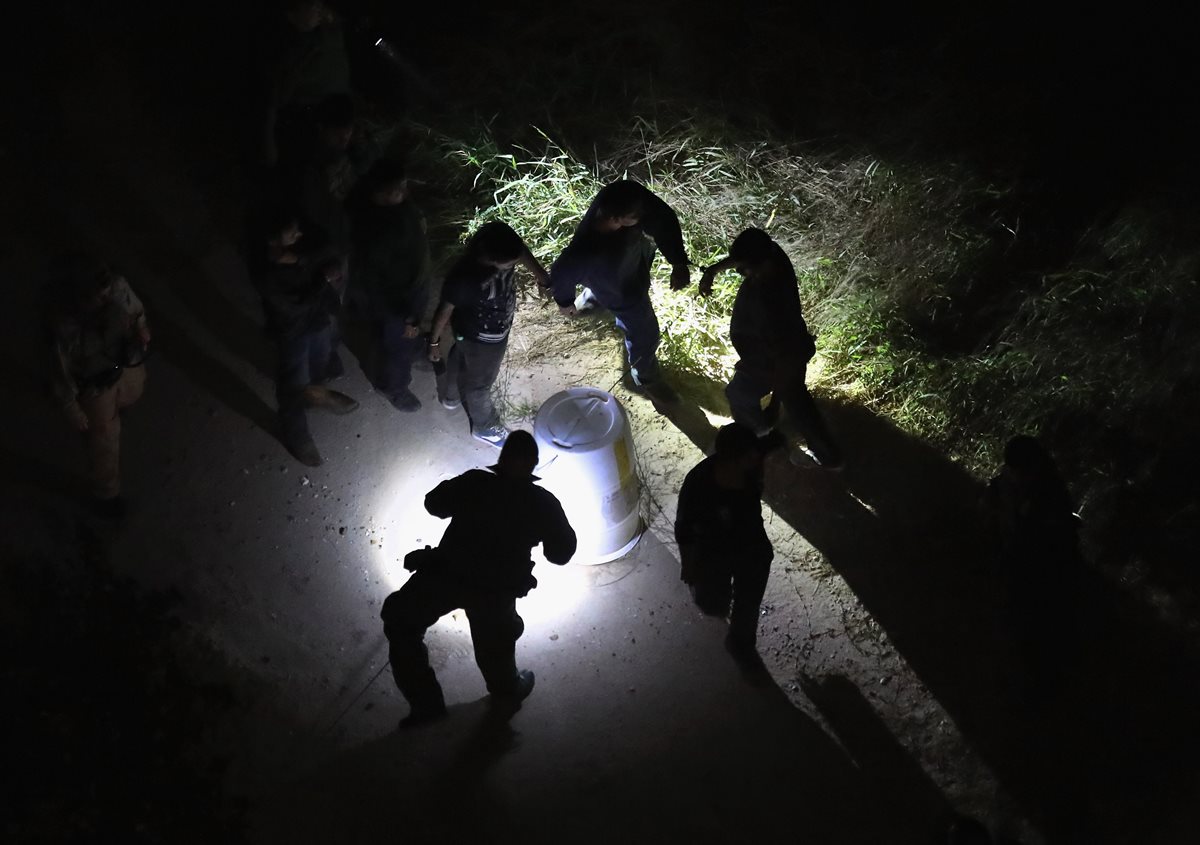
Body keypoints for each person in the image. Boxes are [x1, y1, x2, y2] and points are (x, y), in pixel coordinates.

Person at [380, 431, 577, 728]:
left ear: (500, 460)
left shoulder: (475, 482)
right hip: (493, 591)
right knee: (495, 649)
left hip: (446, 573)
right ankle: (507, 691)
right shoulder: (543, 503)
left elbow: (433, 504)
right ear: (534, 466)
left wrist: (465, 492)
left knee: (401, 623)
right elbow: (561, 554)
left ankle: (426, 705)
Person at [698, 227, 843, 469]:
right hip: (774, 353)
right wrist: (713, 271)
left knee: (787, 402)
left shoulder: (774, 303)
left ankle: (772, 438)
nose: (740, 272)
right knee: (793, 399)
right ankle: (777, 428)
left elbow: (781, 357)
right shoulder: (772, 255)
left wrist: (775, 388)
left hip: (777, 358)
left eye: (745, 269)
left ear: (761, 264)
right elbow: (745, 257)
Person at [549, 179, 691, 398]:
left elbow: (662, 217)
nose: (643, 216)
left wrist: (678, 261)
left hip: (624, 268)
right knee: (646, 334)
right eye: (637, 216)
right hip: (624, 292)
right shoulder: (586, 252)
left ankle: (590, 301)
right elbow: (561, 273)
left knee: (602, 286)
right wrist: (564, 301)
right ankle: (646, 377)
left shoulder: (620, 194)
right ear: (616, 219)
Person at [428, 221, 550, 447]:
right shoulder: (464, 279)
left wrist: (541, 275)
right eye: (509, 264)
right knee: (480, 386)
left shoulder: (500, 238)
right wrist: (434, 342)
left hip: (465, 334)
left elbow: (520, 251)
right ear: (490, 257)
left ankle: (452, 396)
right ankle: (484, 427)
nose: (514, 264)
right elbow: (443, 311)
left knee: (460, 352)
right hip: (485, 339)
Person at [252, 208, 358, 467]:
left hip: (318, 319)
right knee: (292, 382)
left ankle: (315, 393)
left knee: (320, 360)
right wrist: (321, 277)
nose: (299, 235)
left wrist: (303, 259)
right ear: (272, 241)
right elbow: (297, 306)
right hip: (293, 329)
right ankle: (297, 435)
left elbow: (327, 248)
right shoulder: (267, 274)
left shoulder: (300, 247)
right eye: (292, 234)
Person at [48, 259, 151, 519]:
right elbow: (60, 372)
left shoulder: (116, 289)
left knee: (135, 389)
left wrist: (141, 329)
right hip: (94, 385)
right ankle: (107, 495)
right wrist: (72, 408)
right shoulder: (64, 325)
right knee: (103, 440)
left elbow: (135, 311)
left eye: (105, 292)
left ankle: (119, 409)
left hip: (124, 367)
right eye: (97, 296)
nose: (105, 299)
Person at [984, 434, 1083, 702]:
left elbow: (1058, 537)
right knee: (1026, 629)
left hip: (1038, 571)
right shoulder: (1007, 489)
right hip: (1023, 571)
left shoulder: (1045, 490)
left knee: (1036, 627)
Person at [674, 422, 774, 670]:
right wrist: (689, 566)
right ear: (730, 460)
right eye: (749, 456)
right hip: (712, 550)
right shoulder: (699, 487)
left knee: (748, 601)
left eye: (755, 453)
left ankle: (740, 644)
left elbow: (772, 439)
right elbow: (684, 531)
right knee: (711, 604)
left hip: (750, 544)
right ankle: (713, 599)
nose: (756, 459)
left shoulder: (751, 466)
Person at [348, 158, 430, 412]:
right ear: (381, 194)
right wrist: (407, 316)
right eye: (398, 188)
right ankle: (394, 388)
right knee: (397, 347)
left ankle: (415, 348)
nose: (405, 191)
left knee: (408, 339)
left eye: (404, 185)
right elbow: (379, 283)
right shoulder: (378, 233)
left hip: (412, 288)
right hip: (398, 303)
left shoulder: (398, 206)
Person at [260, 0, 352, 170]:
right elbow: (275, 99)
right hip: (313, 122)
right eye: (312, 5)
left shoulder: (328, 31)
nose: (319, 9)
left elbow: (337, 22)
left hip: (339, 115)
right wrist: (269, 142)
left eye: (320, 5)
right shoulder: (288, 50)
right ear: (292, 14)